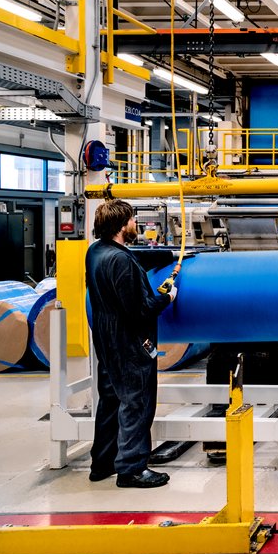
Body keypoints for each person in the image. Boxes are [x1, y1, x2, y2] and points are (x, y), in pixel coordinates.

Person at [86, 199, 178, 488]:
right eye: (132, 220)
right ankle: (132, 469)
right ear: (121, 225)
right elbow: (139, 310)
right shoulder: (122, 261)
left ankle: (102, 463)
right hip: (129, 342)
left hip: (106, 339)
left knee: (111, 399)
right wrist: (167, 297)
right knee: (136, 402)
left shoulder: (95, 252)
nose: (135, 224)